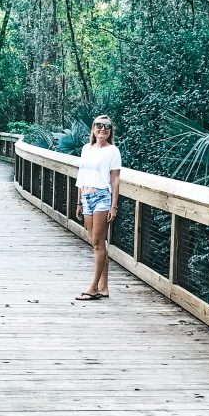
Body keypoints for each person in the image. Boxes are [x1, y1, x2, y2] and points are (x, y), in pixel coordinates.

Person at [74, 115, 122, 301]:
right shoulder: (87, 149)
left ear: (110, 131)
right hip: (86, 197)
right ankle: (104, 287)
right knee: (97, 244)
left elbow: (115, 179)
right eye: (99, 126)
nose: (102, 129)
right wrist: (79, 201)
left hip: (102, 197)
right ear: (93, 129)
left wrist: (114, 205)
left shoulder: (113, 151)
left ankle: (93, 287)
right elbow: (81, 175)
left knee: (97, 242)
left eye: (107, 127)